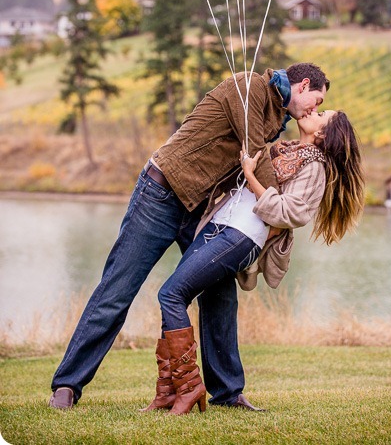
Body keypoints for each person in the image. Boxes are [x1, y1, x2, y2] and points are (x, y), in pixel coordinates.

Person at [49, 63, 330, 410]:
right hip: (161, 193)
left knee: (220, 296)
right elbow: (255, 156)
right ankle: (66, 386)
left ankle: (228, 393)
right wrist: (277, 204)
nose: (314, 110)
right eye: (316, 101)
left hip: (199, 208)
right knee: (117, 289)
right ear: (302, 85)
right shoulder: (248, 87)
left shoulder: (275, 114)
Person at [148, 108, 365, 415]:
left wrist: (250, 174)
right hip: (218, 225)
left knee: (171, 294)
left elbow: (292, 212)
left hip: (241, 235)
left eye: (322, 114)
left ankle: (186, 388)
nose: (314, 110)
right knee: (211, 301)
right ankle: (188, 392)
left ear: (322, 134)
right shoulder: (283, 148)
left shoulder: (314, 166)